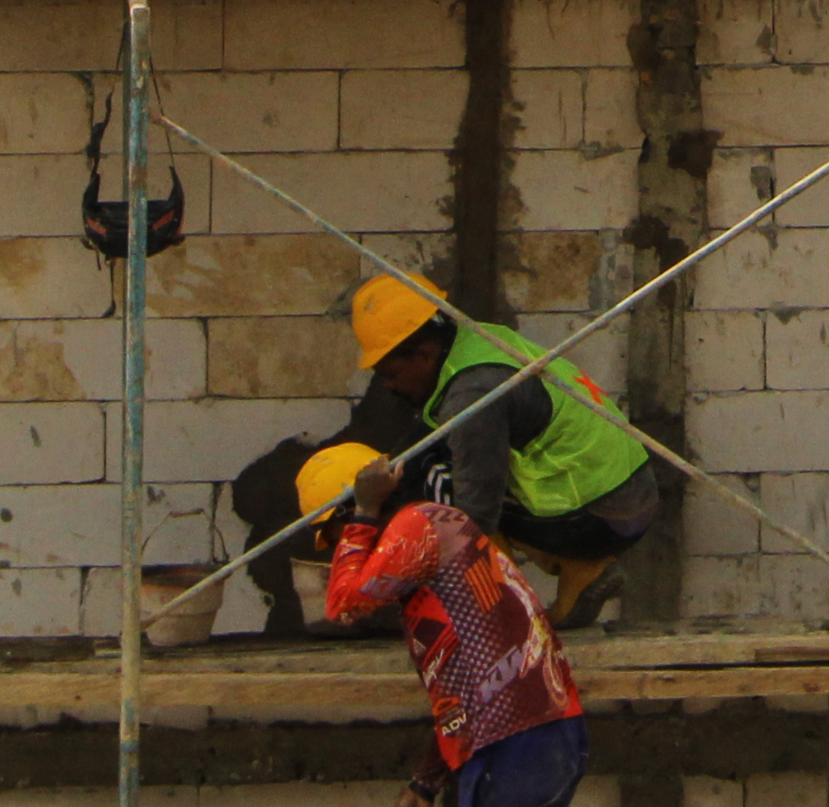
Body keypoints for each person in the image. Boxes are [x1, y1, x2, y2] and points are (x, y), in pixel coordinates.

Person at [233, 272, 661, 629]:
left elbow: (474, 519)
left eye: (391, 371)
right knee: (429, 466)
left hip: (599, 510)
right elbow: (420, 441)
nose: (387, 384)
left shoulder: (473, 399)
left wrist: (410, 585)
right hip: (620, 491)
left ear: (422, 353)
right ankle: (584, 575)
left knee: (437, 500)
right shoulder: (472, 347)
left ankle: (503, 615)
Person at [304, 440, 589, 807]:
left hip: (515, 742)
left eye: (336, 539)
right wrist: (425, 782)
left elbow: (343, 606)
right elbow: (464, 690)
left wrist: (362, 514)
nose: (341, 556)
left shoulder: (418, 525)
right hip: (529, 736)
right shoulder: (437, 549)